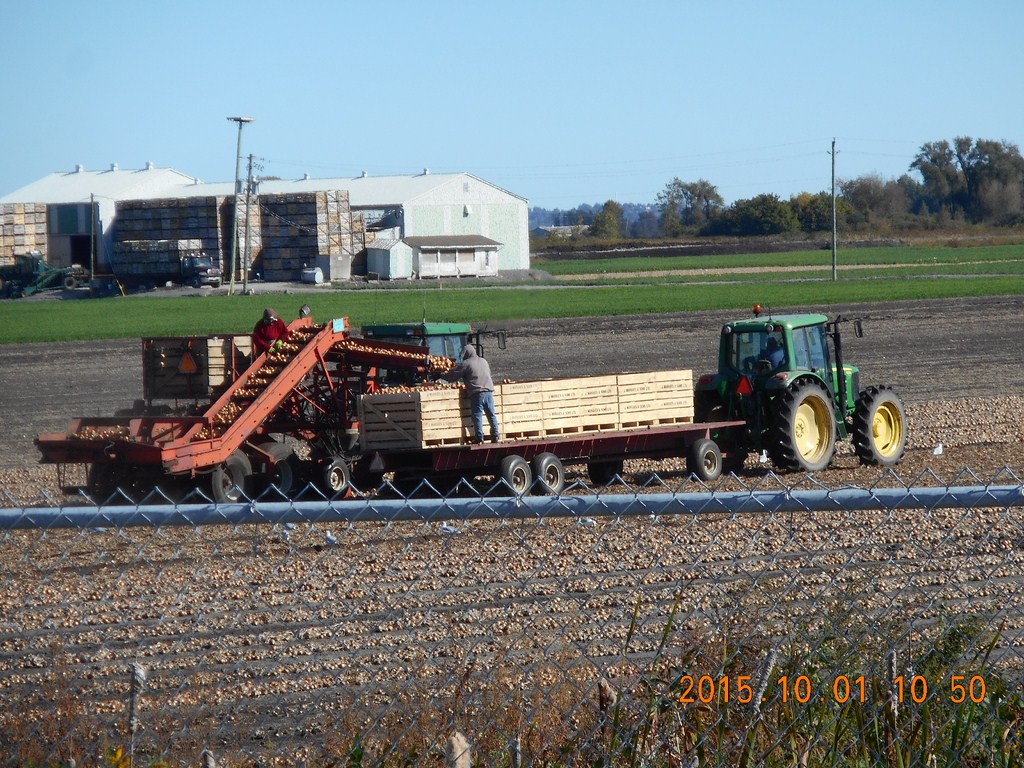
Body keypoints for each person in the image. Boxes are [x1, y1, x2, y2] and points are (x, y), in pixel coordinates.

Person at [443, 344, 500, 444]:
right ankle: (495, 435)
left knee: (477, 415)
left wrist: (442, 375)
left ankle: (479, 437)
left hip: (477, 393)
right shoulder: (483, 361)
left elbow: (452, 377)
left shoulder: (467, 363)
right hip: (489, 391)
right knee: (491, 414)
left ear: (467, 354)